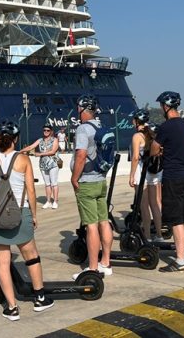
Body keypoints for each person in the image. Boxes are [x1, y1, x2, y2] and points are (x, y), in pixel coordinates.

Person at [0, 121, 54, 321]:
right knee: (31, 256)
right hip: (20, 212)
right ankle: (39, 298)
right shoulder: (23, 160)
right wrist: (34, 215)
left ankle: (12, 307)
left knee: (2, 262)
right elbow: (31, 191)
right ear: (16, 138)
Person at [151, 91, 184, 272]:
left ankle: (180, 260)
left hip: (173, 176)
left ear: (166, 106)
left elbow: (154, 148)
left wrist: (159, 151)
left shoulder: (166, 126)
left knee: (176, 219)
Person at [70, 94, 113, 279]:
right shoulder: (101, 126)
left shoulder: (83, 128)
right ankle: (106, 263)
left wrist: (74, 178)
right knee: (104, 221)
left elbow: (81, 155)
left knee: (91, 225)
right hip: (101, 180)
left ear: (82, 109)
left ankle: (93, 267)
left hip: (87, 182)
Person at [128, 109, 163, 242]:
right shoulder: (152, 132)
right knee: (154, 204)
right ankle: (159, 235)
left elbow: (135, 157)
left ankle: (147, 236)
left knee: (143, 206)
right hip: (153, 171)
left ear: (137, 121)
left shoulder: (137, 136)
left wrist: (131, 175)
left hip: (141, 172)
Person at [21, 124, 61, 209]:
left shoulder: (55, 140)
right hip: (43, 164)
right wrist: (20, 151)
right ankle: (48, 201)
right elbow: (31, 147)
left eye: (48, 130)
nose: (46, 132)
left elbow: (53, 151)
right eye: (44, 130)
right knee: (47, 184)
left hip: (53, 164)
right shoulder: (40, 140)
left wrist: (40, 154)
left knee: (54, 183)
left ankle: (55, 201)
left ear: (51, 131)